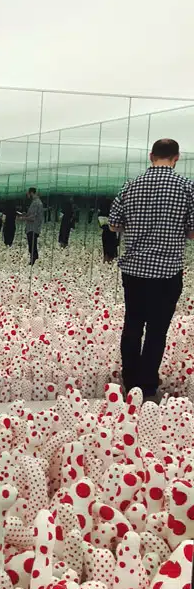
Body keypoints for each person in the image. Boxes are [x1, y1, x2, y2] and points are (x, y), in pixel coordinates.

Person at [109, 138, 194, 400]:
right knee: (158, 329)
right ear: (176, 157)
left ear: (150, 156)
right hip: (167, 272)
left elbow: (113, 224)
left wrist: (138, 228)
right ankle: (147, 386)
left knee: (133, 324)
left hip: (134, 270)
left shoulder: (130, 186)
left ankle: (129, 381)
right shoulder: (187, 188)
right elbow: (192, 232)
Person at [24, 187, 44, 265]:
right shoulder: (35, 202)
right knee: (33, 244)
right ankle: (34, 258)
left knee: (32, 244)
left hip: (33, 227)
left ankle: (33, 260)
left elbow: (33, 217)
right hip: (33, 227)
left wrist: (23, 218)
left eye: (28, 193)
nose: (27, 195)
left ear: (31, 193)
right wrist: (25, 215)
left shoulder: (36, 203)